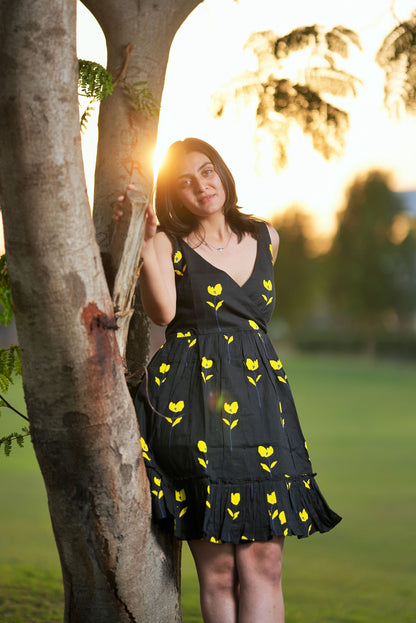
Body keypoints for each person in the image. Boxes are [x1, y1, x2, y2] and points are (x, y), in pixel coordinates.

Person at [117, 137, 341, 623]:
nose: (201, 185)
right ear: (174, 195)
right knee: (218, 572)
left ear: (221, 172)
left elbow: (250, 321)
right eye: (185, 181)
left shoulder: (267, 238)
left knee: (265, 560)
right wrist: (146, 246)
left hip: (262, 407)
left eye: (207, 171)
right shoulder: (166, 244)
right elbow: (163, 313)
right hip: (192, 403)